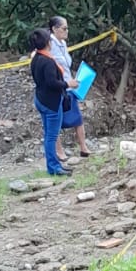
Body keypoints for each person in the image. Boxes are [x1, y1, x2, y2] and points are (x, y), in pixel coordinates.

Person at [29, 28, 72, 177]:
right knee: (51, 136)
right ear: (48, 43)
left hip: (40, 99)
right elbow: (52, 83)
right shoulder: (47, 61)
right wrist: (68, 84)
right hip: (51, 102)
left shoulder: (36, 58)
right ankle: (53, 167)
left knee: (49, 134)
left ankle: (54, 165)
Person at [48, 15, 90, 161]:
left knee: (77, 116)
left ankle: (83, 147)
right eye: (64, 28)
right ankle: (59, 151)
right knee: (55, 120)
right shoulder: (49, 44)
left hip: (69, 85)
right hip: (57, 86)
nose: (67, 31)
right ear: (54, 29)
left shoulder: (63, 44)